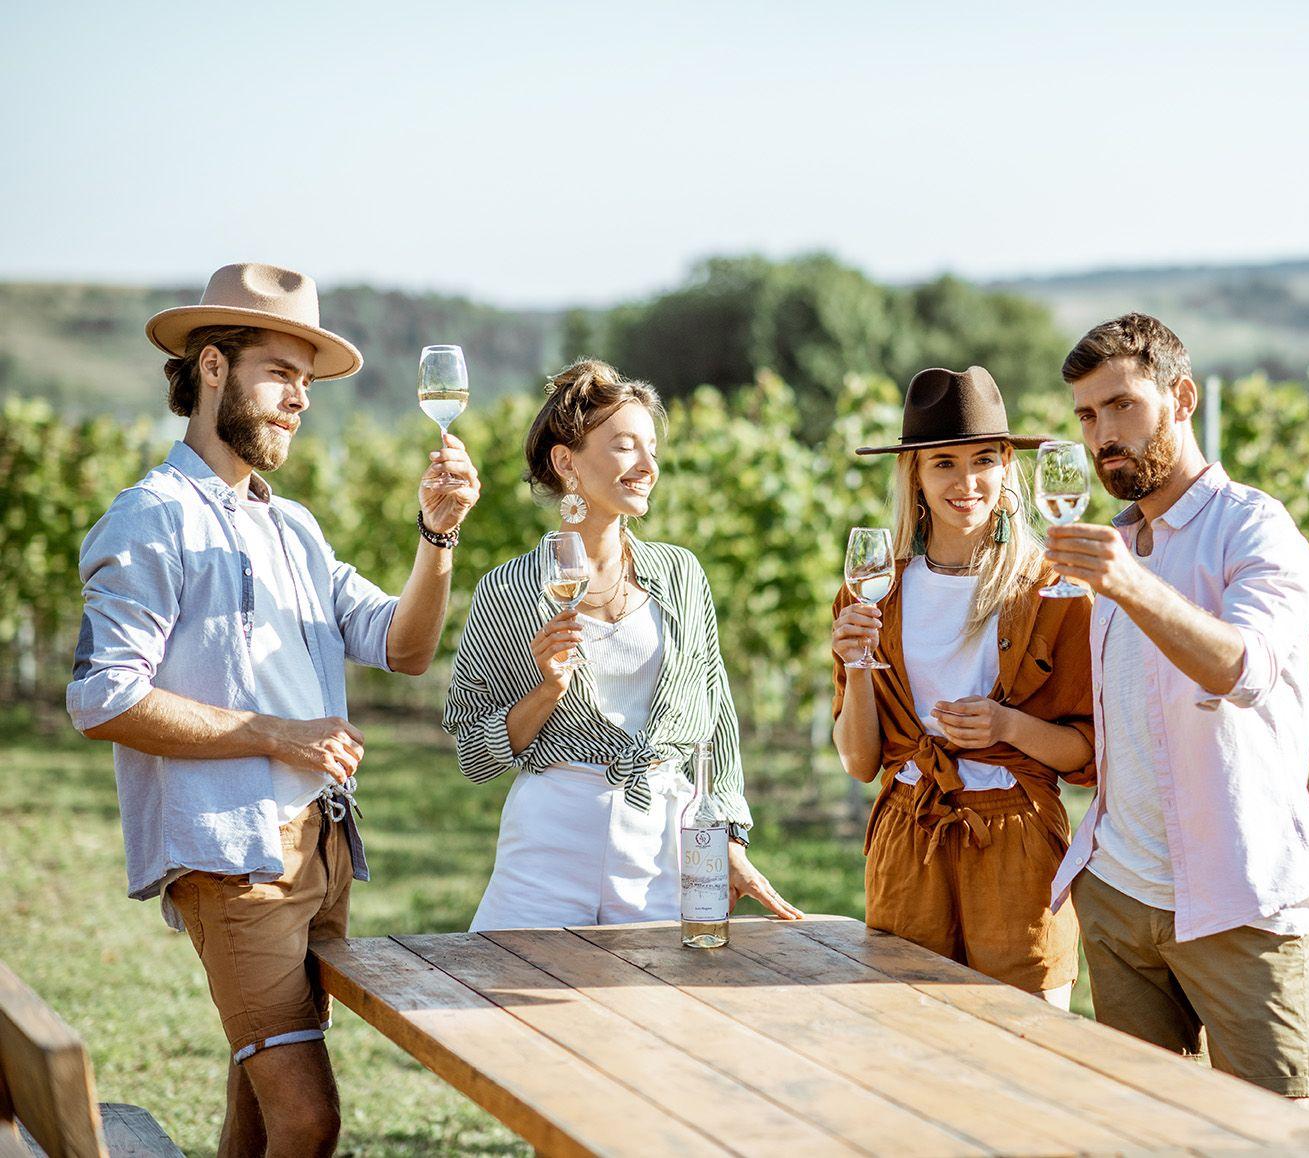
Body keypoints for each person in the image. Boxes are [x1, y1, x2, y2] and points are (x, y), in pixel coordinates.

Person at [67, 262, 480, 1156]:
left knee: (258, 1102)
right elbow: (104, 699)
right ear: (212, 367)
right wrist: (281, 735)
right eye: (281, 373)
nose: (299, 399)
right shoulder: (151, 518)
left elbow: (402, 648)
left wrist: (437, 534)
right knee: (309, 1118)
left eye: (308, 381)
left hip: (320, 848)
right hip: (233, 856)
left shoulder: (292, 526)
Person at [1044, 312, 1309, 1105]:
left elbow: (1244, 669)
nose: (1103, 435)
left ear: (1181, 397)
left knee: (1276, 1133)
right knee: (1140, 1131)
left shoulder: (1254, 529)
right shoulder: (1112, 542)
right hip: (1118, 891)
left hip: (1234, 897)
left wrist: (1127, 584)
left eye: (1121, 406)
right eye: (1087, 416)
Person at [444, 357, 801, 930]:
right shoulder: (507, 589)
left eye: (652, 448)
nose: (648, 466)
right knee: (511, 1007)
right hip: (550, 841)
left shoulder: (681, 574)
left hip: (660, 841)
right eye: (625, 446)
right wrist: (544, 693)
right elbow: (472, 753)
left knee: (653, 1011)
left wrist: (732, 837)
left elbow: (718, 720)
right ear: (567, 463)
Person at [832, 365, 1095, 1007]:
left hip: (1016, 844)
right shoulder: (874, 592)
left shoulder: (1051, 591)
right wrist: (858, 667)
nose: (966, 481)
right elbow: (861, 761)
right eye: (943, 463)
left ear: (1008, 467)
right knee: (909, 1047)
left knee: (1028, 1050)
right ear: (915, 477)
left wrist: (1007, 727)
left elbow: (1085, 757)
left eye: (983, 459)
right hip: (910, 835)